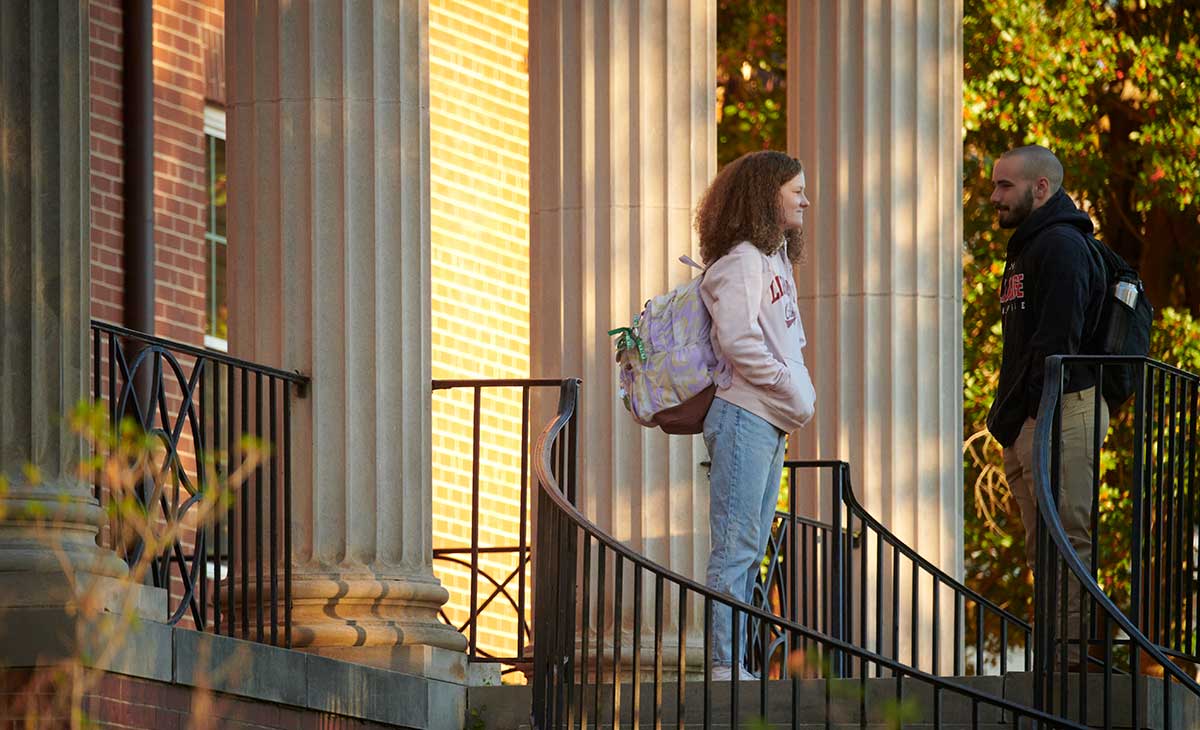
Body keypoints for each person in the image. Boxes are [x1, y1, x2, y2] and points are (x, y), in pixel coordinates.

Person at [694, 150, 817, 680]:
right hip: (745, 414)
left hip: (769, 420)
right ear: (769, 195)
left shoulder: (774, 260)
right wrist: (787, 385)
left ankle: (734, 658)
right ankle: (724, 663)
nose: (806, 200)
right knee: (736, 545)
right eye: (796, 191)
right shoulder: (743, 259)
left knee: (750, 545)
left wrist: (792, 394)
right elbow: (739, 340)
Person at [985, 144, 1108, 667]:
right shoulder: (1027, 247)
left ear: (1042, 188)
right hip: (1029, 418)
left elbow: (1059, 339)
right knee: (1043, 547)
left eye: (1005, 186)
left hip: (1061, 409)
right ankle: (1056, 653)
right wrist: (1010, 421)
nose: (994, 197)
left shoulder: (1062, 245)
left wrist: (1034, 413)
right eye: (994, 185)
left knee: (1067, 536)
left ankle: (1072, 658)